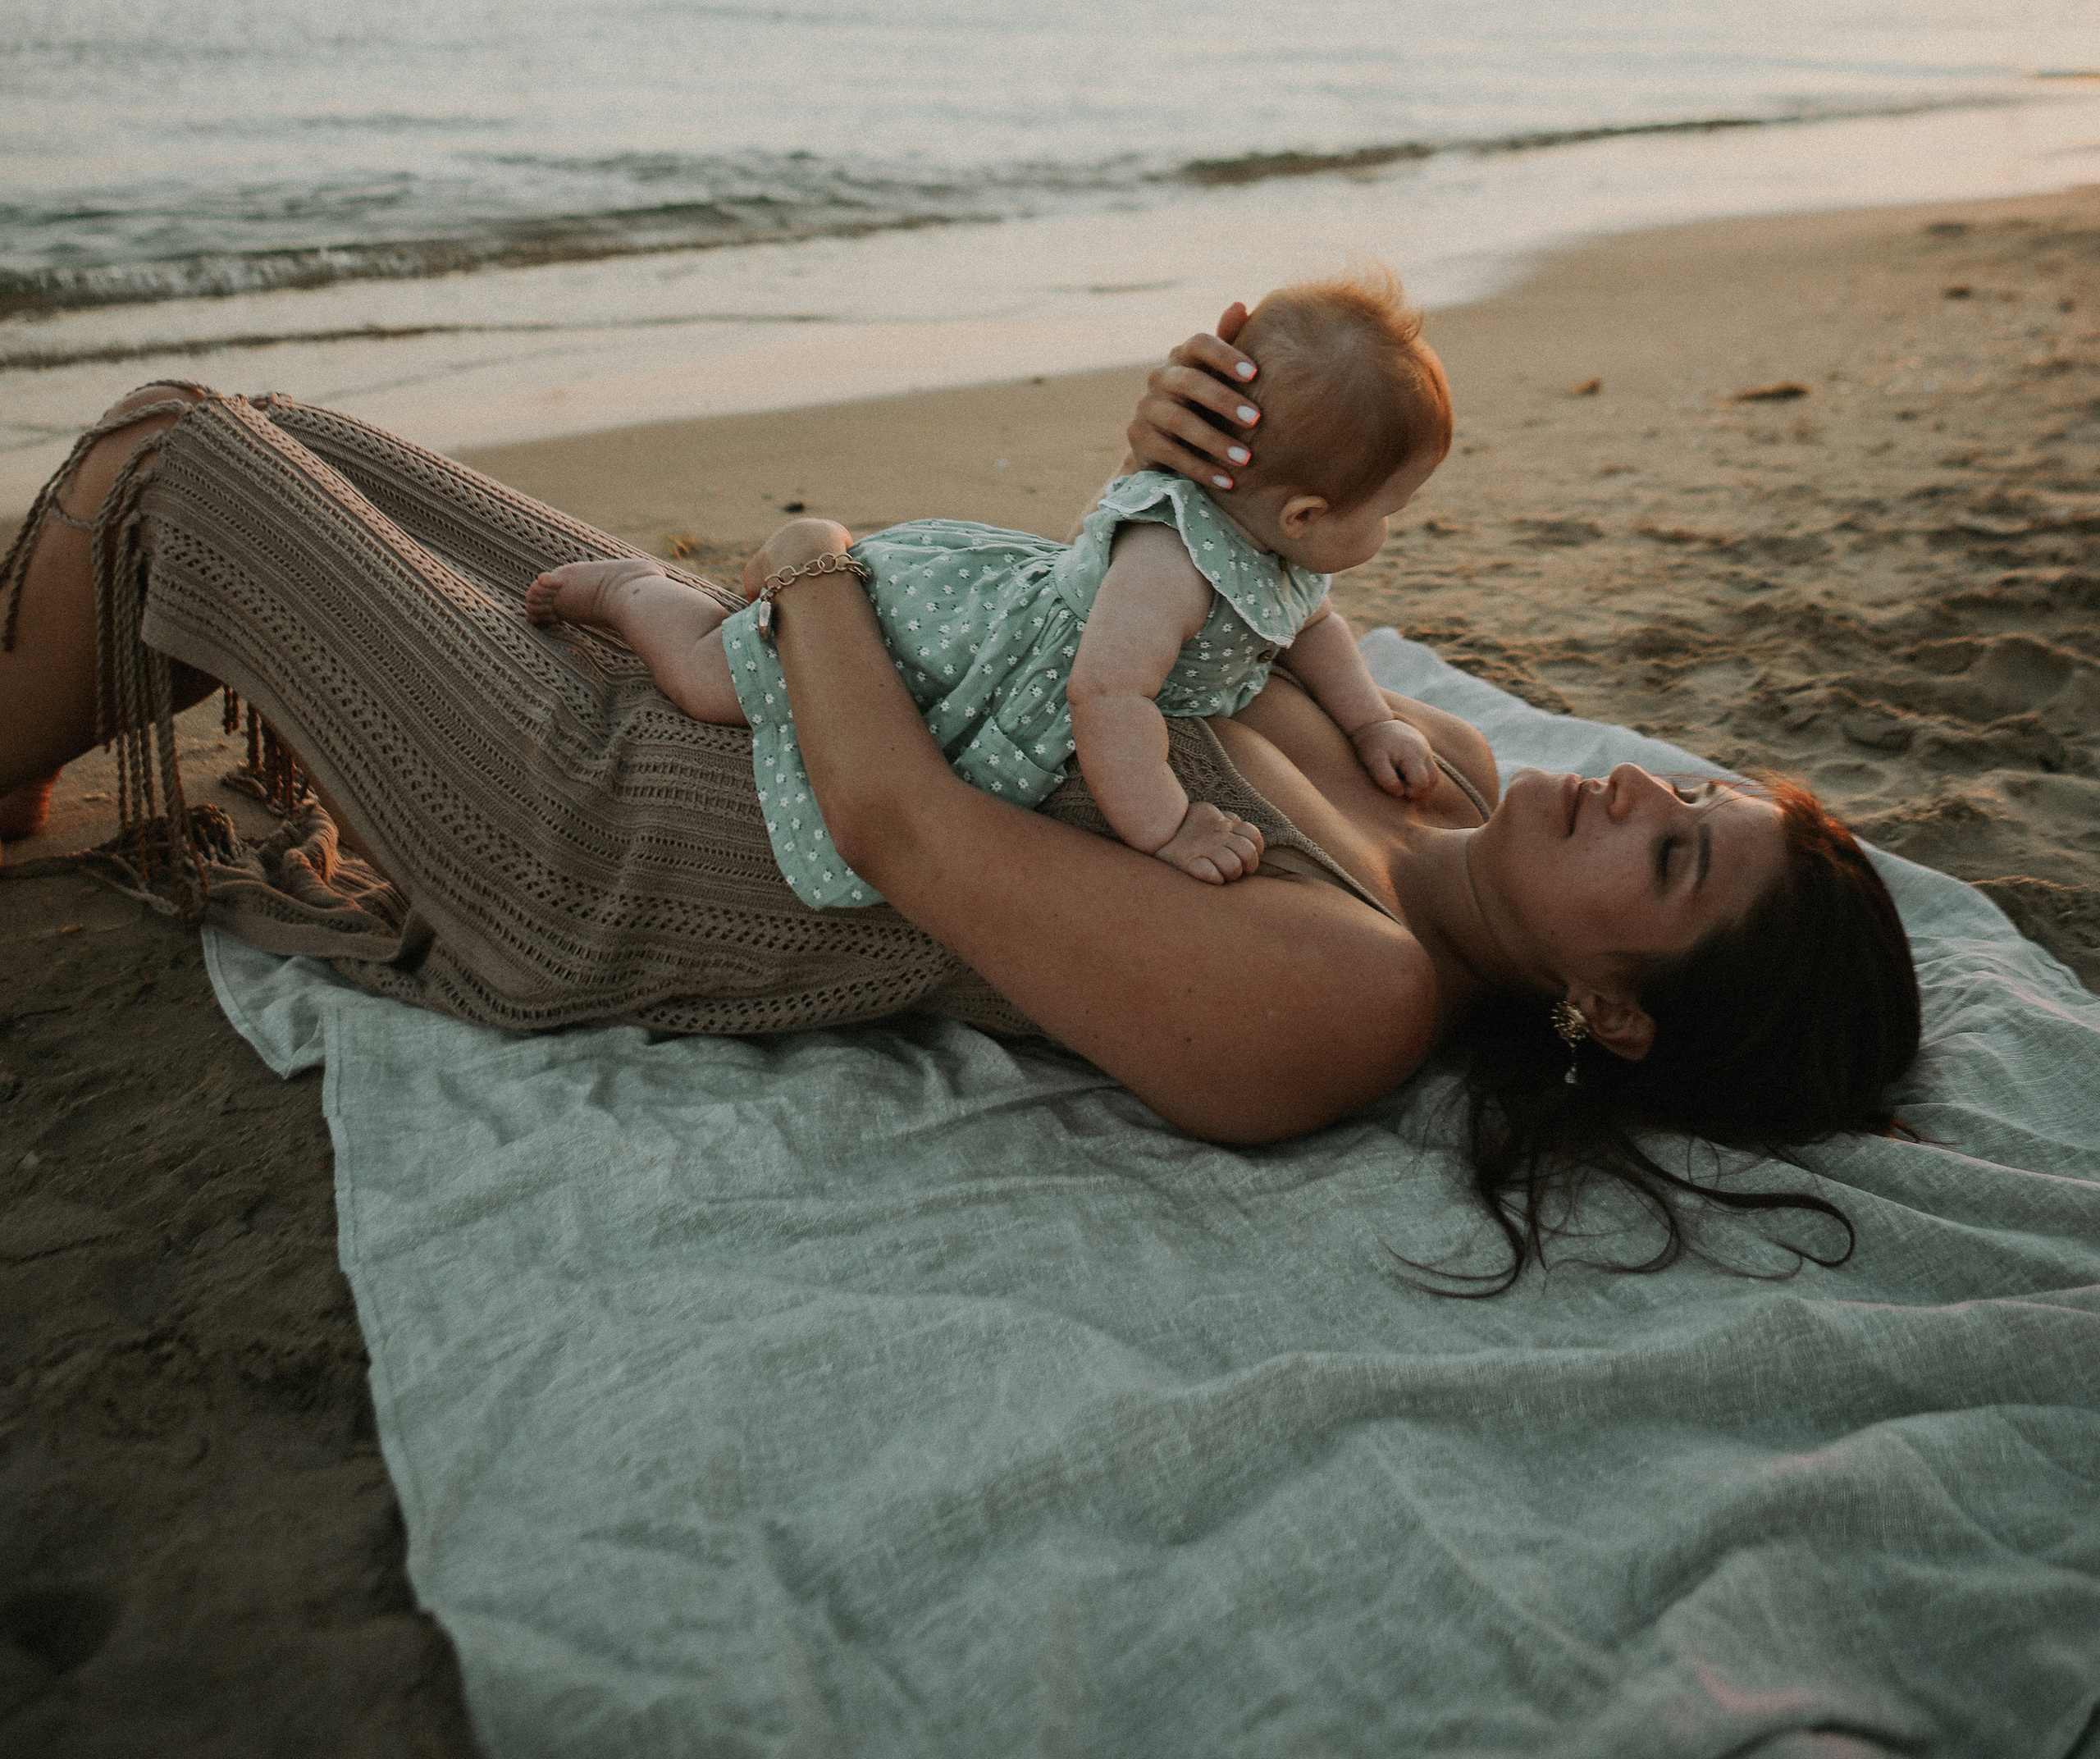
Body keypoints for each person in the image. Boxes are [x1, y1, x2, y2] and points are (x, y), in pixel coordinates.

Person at [0, 314, 1921, 1285]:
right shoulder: (1449, 773)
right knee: (299, 435)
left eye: (1665, 851)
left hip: (623, 835)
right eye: (1677, 786)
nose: (1619, 785)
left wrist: (809, 554)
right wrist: (1184, 461)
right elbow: (1114, 633)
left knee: (178, 452)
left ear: (1614, 1012)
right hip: (743, 704)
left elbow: (909, 829)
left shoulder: (1343, 996)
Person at [522, 268, 1452, 902]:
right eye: (1389, 511)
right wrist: (1165, 826)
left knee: (741, 667)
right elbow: (1104, 691)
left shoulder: (1279, 554)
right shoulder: (1167, 566)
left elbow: (1314, 629)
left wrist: (1370, 721)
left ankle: (715, 597)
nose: (1386, 530)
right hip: (940, 641)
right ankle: (634, 593)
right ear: (1301, 515)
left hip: (1015, 614)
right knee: (711, 681)